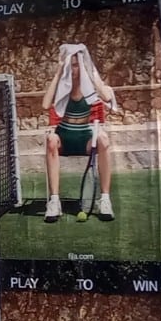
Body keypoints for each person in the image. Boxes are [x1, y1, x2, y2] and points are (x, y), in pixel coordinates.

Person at [40, 43, 117, 221]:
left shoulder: (90, 81)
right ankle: (54, 202)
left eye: (77, 65)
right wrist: (59, 73)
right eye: (71, 65)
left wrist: (91, 74)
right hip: (65, 134)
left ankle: (105, 200)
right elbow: (45, 105)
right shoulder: (61, 82)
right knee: (51, 140)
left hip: (85, 134)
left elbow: (106, 97)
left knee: (104, 140)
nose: (74, 69)